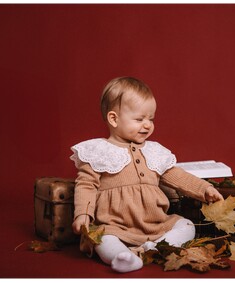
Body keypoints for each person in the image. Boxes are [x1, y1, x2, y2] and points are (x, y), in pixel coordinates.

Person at [70, 76, 224, 273]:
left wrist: (204, 189)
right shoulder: (98, 150)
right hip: (114, 224)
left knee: (187, 226)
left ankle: (151, 248)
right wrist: (83, 213)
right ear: (114, 119)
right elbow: (86, 185)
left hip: (156, 224)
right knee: (103, 238)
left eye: (151, 119)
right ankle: (121, 256)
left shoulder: (154, 151)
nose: (147, 125)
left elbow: (176, 175)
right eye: (139, 119)